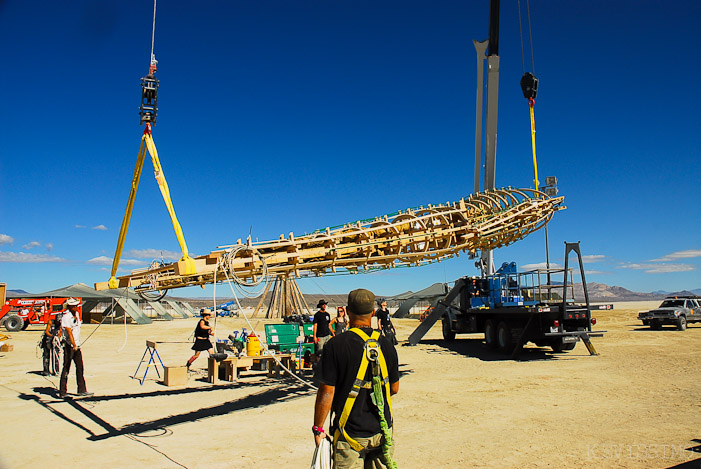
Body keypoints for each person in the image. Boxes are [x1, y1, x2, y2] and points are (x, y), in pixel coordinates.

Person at [313, 289, 400, 468]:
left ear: (348, 311)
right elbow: (394, 388)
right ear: (373, 313)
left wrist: (318, 428)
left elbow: (327, 392)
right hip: (382, 430)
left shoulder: (335, 345)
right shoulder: (387, 345)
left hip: (349, 433)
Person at [59, 298, 92, 398]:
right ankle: (62, 392)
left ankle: (81, 390)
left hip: (77, 346)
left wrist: (77, 345)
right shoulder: (66, 317)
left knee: (80, 367)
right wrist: (73, 345)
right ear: (69, 307)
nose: (76, 307)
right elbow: (69, 332)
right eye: (74, 306)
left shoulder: (76, 315)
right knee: (66, 368)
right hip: (70, 346)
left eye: (76, 306)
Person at [41, 307, 64, 376]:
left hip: (55, 341)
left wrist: (58, 338)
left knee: (56, 356)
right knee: (46, 355)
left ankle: (56, 371)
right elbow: (47, 331)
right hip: (48, 339)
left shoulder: (60, 324)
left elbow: (60, 333)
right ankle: (46, 370)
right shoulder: (51, 322)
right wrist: (52, 336)